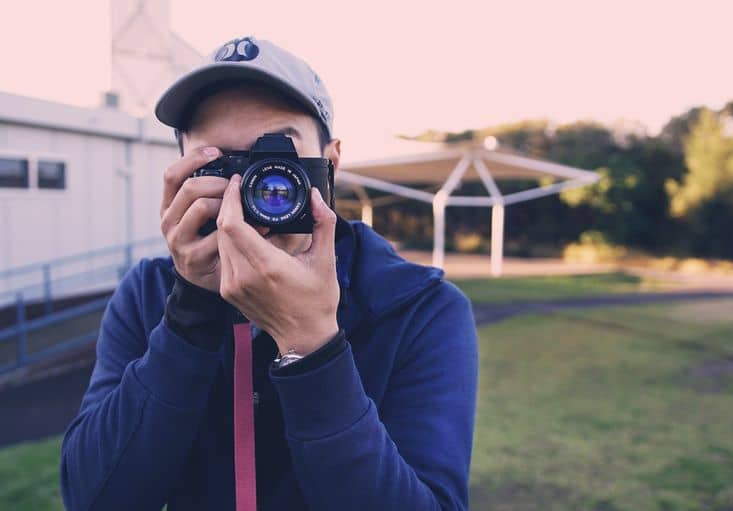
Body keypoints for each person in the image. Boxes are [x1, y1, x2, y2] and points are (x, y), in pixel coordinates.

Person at [60, 36, 478, 511]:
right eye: (221, 162)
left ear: (331, 164)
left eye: (276, 158)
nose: (256, 188)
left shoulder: (419, 308)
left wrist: (313, 346)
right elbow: (93, 499)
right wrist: (189, 312)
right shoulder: (147, 295)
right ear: (182, 175)